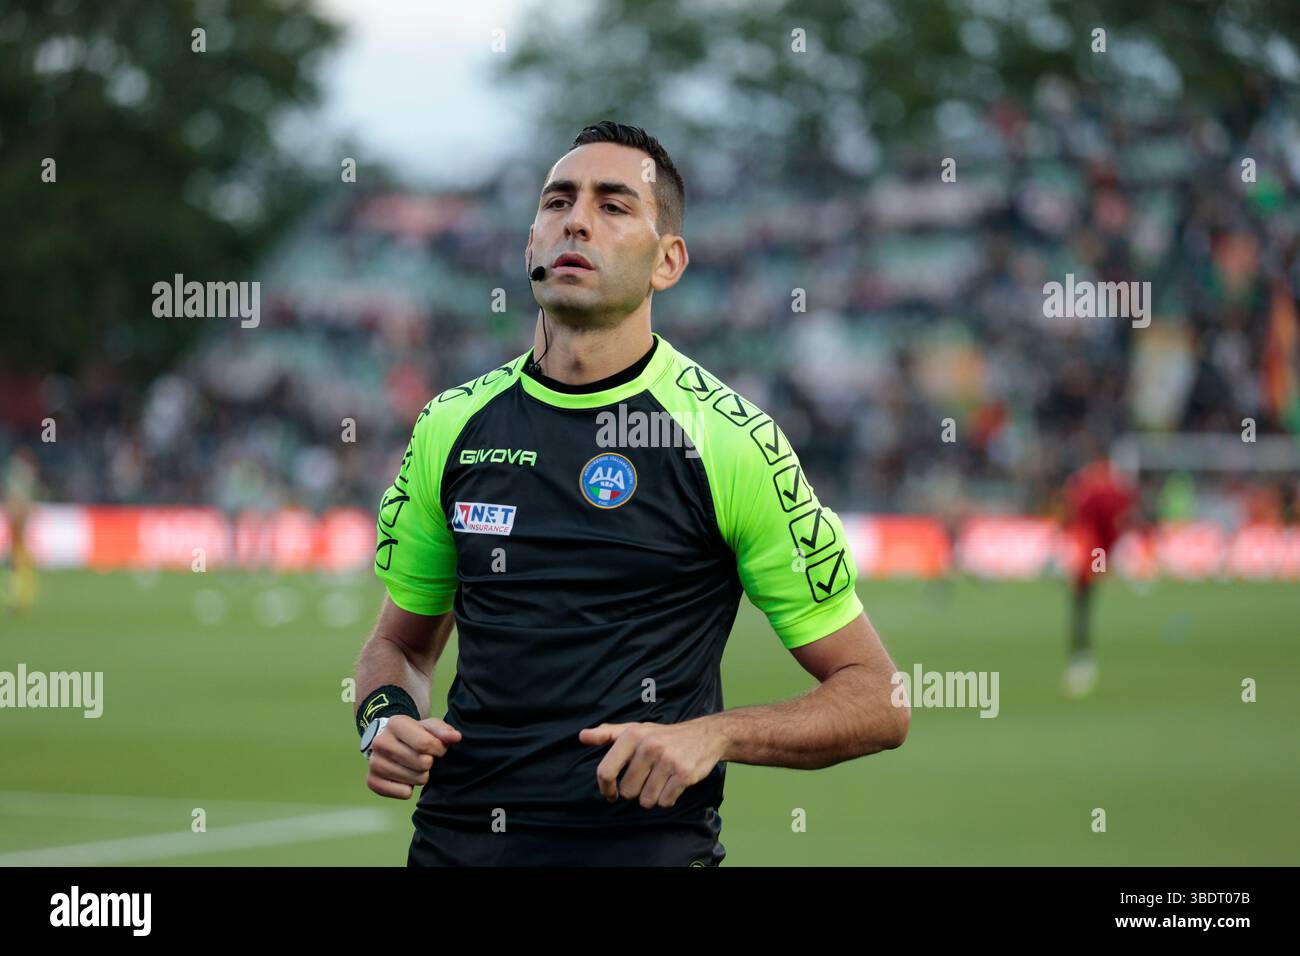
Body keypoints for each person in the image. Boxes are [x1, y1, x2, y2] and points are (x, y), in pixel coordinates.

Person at [352, 121, 908, 867]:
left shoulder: (730, 441)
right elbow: (400, 645)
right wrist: (383, 716)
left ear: (668, 261)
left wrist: (713, 735)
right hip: (455, 849)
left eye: (614, 206)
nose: (575, 219)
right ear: (529, 245)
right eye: (557, 202)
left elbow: (877, 698)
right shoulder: (451, 424)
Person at [1061, 450, 1138, 698]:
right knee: (1084, 595)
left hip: (1091, 547)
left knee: (1082, 597)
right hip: (1099, 546)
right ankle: (1082, 656)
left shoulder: (1087, 486)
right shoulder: (1113, 488)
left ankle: (1081, 656)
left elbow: (1077, 517)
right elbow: (1122, 518)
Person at [3, 446, 39, 613]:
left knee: (19, 563)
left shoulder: (19, 481)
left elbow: (18, 506)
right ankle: (22, 598)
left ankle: (21, 598)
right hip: (18, 532)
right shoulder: (25, 480)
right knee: (20, 562)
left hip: (18, 533)